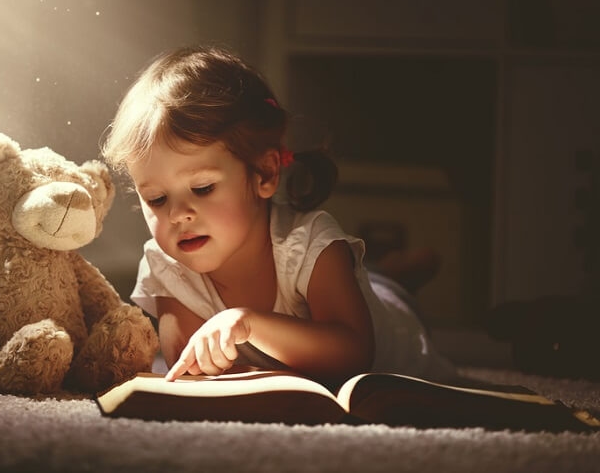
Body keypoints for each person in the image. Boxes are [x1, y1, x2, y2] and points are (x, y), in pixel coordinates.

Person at [100, 45, 454, 385]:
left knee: (390, 293)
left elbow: (354, 351)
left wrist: (250, 323)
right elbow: (189, 369)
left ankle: (400, 276)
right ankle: (386, 272)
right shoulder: (168, 267)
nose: (178, 215)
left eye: (203, 188)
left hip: (396, 324)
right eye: (157, 199)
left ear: (265, 174)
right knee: (374, 278)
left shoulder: (312, 243)